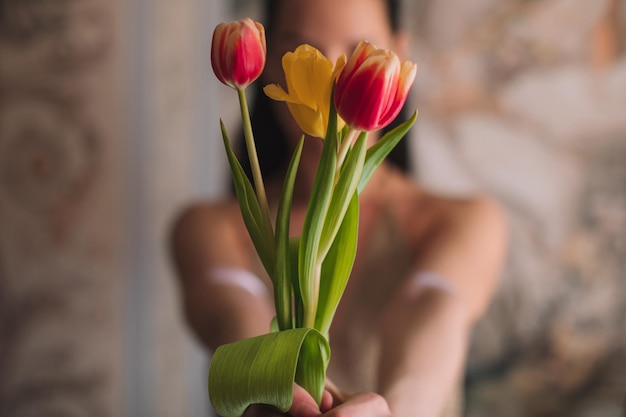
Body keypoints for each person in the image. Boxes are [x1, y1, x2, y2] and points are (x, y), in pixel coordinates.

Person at [170, 0, 508, 416]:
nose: (333, 80)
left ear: (398, 57)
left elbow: (433, 307)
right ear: (271, 66)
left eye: (356, 51)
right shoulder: (210, 228)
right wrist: (269, 384)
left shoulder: (462, 221)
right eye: (305, 50)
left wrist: (397, 409)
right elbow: (233, 311)